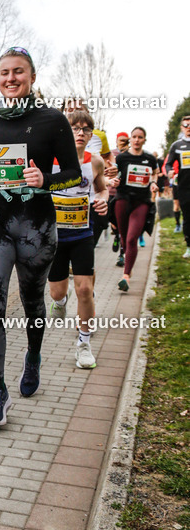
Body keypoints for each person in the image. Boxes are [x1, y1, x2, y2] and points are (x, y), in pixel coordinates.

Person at [0, 47, 80, 426]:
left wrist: (46, 180)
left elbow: (75, 175)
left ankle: (32, 357)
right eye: (4, 73)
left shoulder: (52, 120)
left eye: (18, 72)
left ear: (31, 76)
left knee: (32, 300)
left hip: (36, 226)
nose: (10, 78)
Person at [48, 109, 109, 369]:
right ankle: (61, 302)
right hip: (55, 236)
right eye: (75, 128)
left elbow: (102, 189)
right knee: (56, 292)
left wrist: (103, 201)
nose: (81, 132)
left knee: (85, 289)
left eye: (86, 129)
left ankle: (84, 344)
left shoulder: (95, 162)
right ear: (66, 131)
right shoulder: (48, 160)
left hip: (83, 233)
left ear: (91, 134)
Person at [113, 125, 159, 290]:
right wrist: (114, 180)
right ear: (130, 140)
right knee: (125, 238)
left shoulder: (149, 158)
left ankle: (125, 276)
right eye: (134, 137)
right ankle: (128, 266)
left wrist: (153, 183)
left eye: (140, 137)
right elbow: (112, 174)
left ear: (144, 140)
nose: (137, 140)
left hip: (141, 202)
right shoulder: (121, 158)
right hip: (122, 200)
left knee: (132, 238)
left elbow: (155, 172)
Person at [165, 115, 190, 257]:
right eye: (186, 125)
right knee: (187, 217)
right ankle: (189, 246)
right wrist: (169, 171)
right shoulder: (177, 145)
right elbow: (168, 163)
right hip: (184, 187)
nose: (189, 128)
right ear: (182, 128)